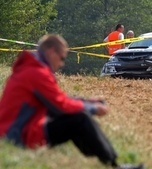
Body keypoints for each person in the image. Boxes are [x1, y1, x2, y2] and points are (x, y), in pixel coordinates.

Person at [0, 34, 144, 169]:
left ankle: (102, 158)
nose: (62, 64)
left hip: (15, 130)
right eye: (62, 58)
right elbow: (61, 105)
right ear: (51, 53)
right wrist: (93, 109)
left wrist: (86, 101)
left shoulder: (31, 68)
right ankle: (113, 164)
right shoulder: (37, 73)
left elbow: (56, 98)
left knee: (76, 114)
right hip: (18, 135)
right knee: (80, 118)